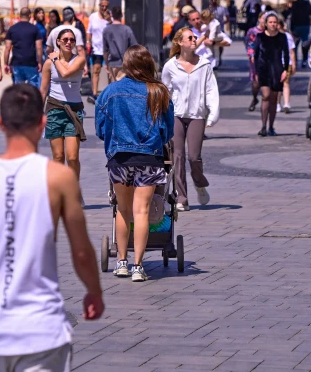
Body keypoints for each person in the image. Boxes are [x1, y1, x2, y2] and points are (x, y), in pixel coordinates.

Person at [0, 84, 103, 371]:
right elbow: (81, 251)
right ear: (42, 123)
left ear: (0, 123)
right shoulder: (58, 177)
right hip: (40, 327)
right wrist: (94, 291)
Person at [94, 46, 173, 282]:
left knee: (122, 209)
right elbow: (168, 130)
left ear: (127, 64)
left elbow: (100, 127)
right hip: (149, 157)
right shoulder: (158, 91)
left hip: (120, 157)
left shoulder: (111, 91)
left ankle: (121, 262)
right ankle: (138, 266)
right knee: (142, 212)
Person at [162, 28, 220, 211]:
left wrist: (213, 114)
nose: (194, 39)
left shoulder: (204, 65)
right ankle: (182, 198)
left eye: (195, 37)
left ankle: (199, 183)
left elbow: (211, 90)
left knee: (194, 157)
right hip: (176, 115)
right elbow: (165, 91)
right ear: (180, 42)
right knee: (177, 156)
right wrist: (163, 113)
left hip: (197, 115)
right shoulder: (170, 66)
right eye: (190, 38)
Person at [41, 26, 87, 181]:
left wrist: (55, 59)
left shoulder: (79, 59)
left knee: (72, 157)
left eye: (72, 40)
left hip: (74, 111)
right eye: (65, 39)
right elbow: (43, 89)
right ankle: (60, 189)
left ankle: (73, 188)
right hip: (54, 109)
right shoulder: (48, 64)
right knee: (58, 156)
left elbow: (65, 73)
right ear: (58, 42)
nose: (69, 42)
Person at [253, 13, 290, 137]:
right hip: (263, 69)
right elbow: (256, 55)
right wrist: (256, 72)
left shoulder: (282, 37)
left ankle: (271, 127)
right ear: (266, 24)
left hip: (277, 69)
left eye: (275, 22)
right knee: (266, 96)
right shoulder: (260, 36)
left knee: (273, 99)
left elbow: (286, 54)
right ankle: (263, 126)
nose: (273, 24)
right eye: (270, 22)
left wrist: (285, 70)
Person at [5, 7, 44, 87]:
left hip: (17, 62)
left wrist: (6, 64)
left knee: (19, 89)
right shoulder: (35, 29)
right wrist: (40, 62)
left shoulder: (12, 29)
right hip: (31, 63)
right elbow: (39, 47)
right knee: (33, 88)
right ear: (30, 15)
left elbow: (7, 48)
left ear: (20, 16)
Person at [102, 6, 138, 82]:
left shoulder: (106, 30)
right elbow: (134, 47)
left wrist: (106, 63)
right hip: (125, 64)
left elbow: (105, 50)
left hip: (112, 64)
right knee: (124, 86)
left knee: (113, 86)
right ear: (121, 15)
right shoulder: (127, 29)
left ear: (111, 15)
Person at [87, 0, 110, 100]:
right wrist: (88, 42)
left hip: (108, 49)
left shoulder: (110, 17)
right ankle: (94, 93)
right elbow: (89, 31)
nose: (104, 8)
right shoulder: (93, 16)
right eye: (102, 6)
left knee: (110, 72)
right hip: (96, 49)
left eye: (106, 6)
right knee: (96, 70)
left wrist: (109, 20)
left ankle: (109, 93)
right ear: (99, 6)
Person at [288, 0, 311, 68]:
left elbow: (292, 16)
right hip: (305, 25)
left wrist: (291, 28)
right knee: (305, 43)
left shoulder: (294, 4)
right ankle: (304, 61)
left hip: (296, 26)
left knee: (295, 44)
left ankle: (295, 60)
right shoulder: (307, 3)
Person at [245, 14, 266, 111]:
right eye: (263, 18)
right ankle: (254, 98)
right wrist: (252, 54)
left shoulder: (269, 31)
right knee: (256, 83)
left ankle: (266, 102)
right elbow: (249, 44)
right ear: (259, 19)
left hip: (267, 59)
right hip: (256, 59)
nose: (264, 21)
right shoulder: (252, 31)